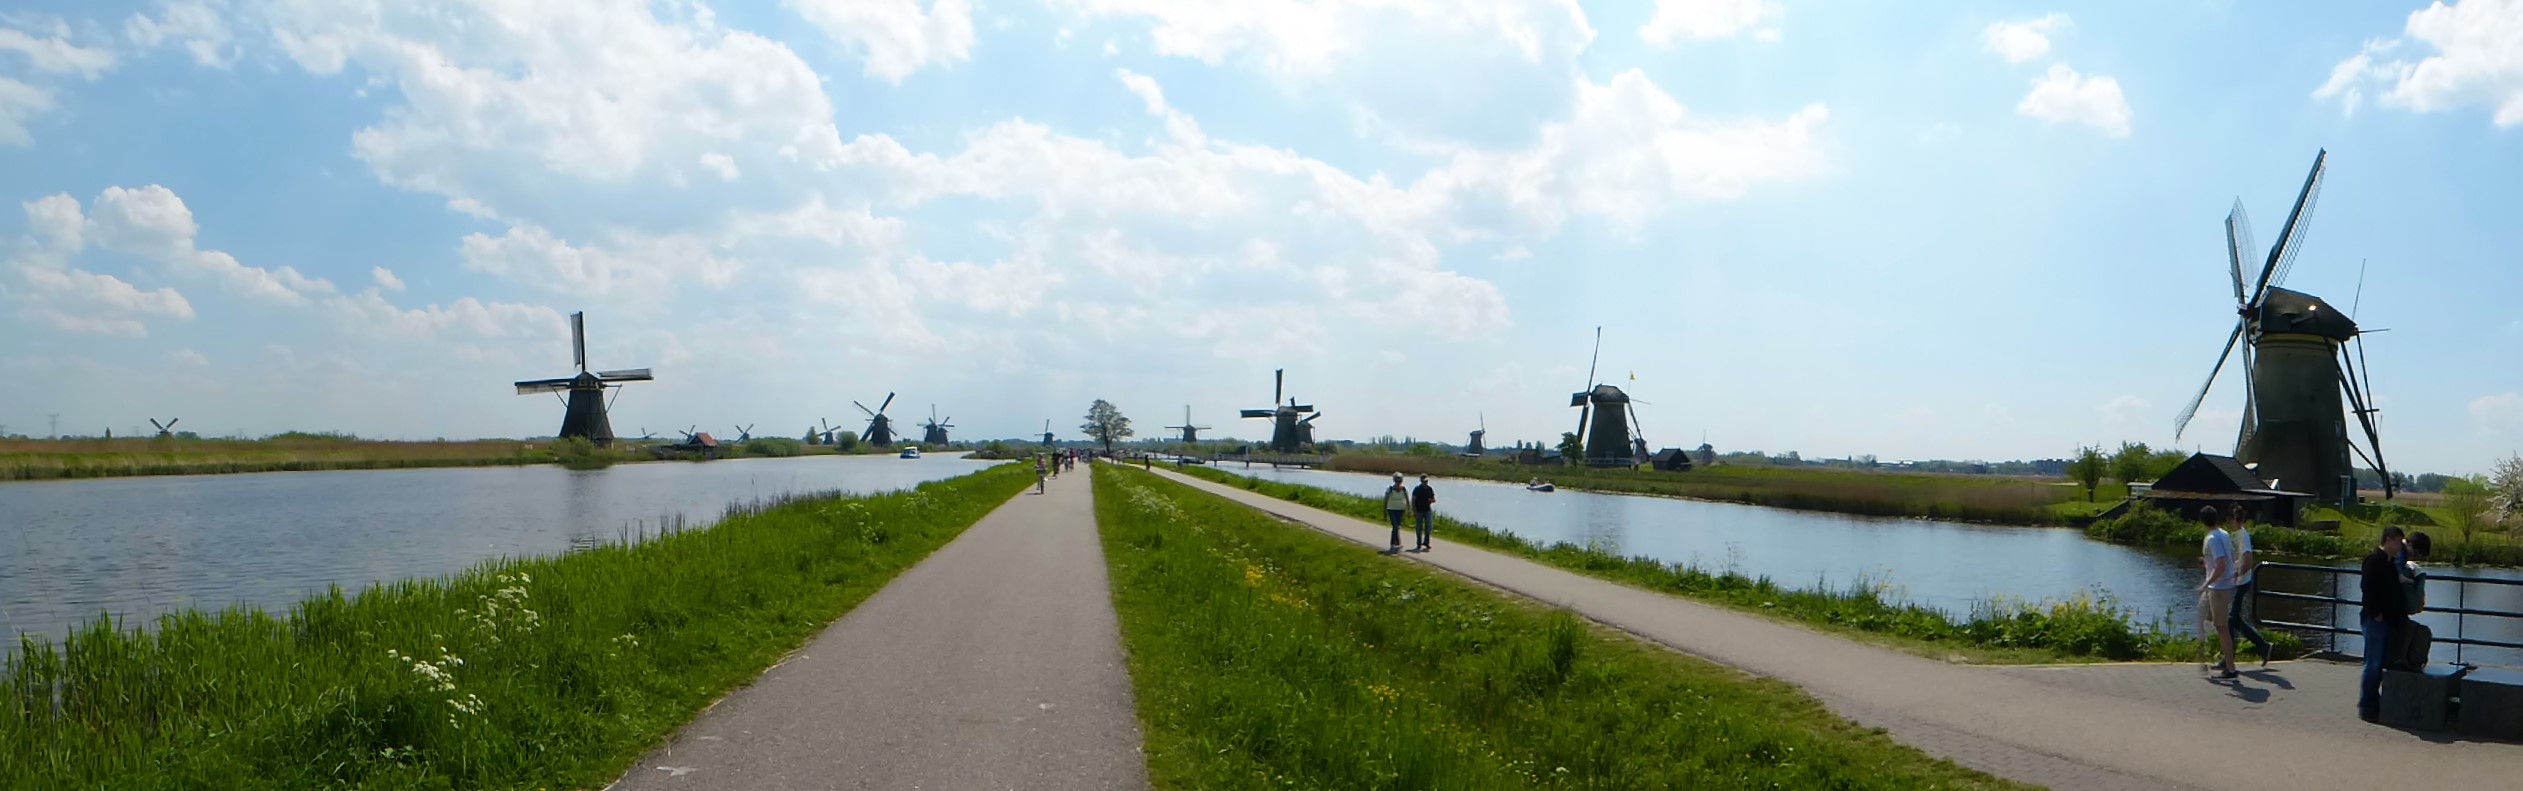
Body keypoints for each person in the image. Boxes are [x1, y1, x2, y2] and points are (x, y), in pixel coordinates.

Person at [2358, 526, 2409, 723]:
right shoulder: (2374, 561)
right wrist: (2376, 612)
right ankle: (2367, 707)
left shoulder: (2389, 563)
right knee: (2373, 664)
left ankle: (2372, 704)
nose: (2399, 546)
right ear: (2388, 540)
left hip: (2386, 619)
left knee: (2377, 664)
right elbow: (2367, 588)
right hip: (2376, 619)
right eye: (2398, 542)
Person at [2226, 510, 2274, 667]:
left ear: (2235, 520)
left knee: (2231, 619)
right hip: (2240, 582)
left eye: (2230, 519)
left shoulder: (2242, 536)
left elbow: (2248, 562)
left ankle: (2229, 659)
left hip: (2242, 582)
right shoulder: (2239, 536)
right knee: (2234, 619)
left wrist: (2234, 575)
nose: (2229, 523)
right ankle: (2263, 646)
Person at [2197, 507, 2240, 679]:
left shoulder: (2212, 539)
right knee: (2203, 618)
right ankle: (2211, 655)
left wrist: (2205, 583)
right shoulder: (2223, 534)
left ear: (2202, 521)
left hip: (2218, 588)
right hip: (2219, 587)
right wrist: (2206, 563)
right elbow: (2228, 558)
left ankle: (2230, 668)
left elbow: (2221, 565)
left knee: (2221, 628)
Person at [1381, 474, 1410, 555]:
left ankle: (1397, 543)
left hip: (1401, 510)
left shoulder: (1404, 489)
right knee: (1395, 526)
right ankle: (1393, 544)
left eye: (1399, 481)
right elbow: (1386, 500)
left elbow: (1407, 500)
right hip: (1391, 509)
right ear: (1394, 481)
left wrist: (1409, 510)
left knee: (1397, 526)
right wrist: (1384, 512)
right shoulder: (1390, 489)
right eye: (1397, 481)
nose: (1398, 483)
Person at [1410, 474, 1437, 553]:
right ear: (1421, 481)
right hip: (1419, 510)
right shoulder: (1417, 489)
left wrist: (1431, 500)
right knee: (1419, 527)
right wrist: (1413, 510)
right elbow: (1413, 500)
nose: (1426, 482)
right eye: (1424, 481)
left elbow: (1434, 499)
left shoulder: (1429, 489)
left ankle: (1426, 542)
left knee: (1429, 526)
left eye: (1427, 481)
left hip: (1427, 510)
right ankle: (1418, 543)